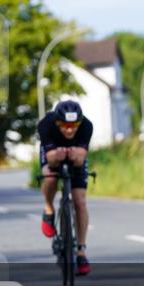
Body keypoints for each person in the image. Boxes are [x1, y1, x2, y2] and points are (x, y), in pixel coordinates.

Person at [38, 100, 94, 276]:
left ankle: (81, 251)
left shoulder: (86, 126)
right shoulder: (46, 124)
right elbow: (50, 159)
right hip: (53, 154)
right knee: (50, 177)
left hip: (76, 157)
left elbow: (80, 159)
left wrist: (75, 156)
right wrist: (57, 156)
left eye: (73, 126)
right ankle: (48, 209)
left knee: (80, 201)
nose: (69, 130)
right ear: (57, 122)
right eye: (65, 126)